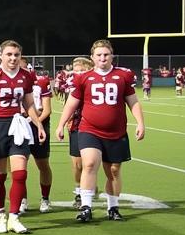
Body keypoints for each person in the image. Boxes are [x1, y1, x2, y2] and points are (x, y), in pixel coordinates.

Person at [57, 39, 144, 223]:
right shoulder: (83, 77)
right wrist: (60, 124)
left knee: (113, 170)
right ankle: (86, 207)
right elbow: (72, 102)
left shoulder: (124, 75)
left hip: (116, 131)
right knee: (89, 164)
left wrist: (140, 122)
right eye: (99, 55)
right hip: (89, 129)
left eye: (106, 54)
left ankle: (113, 207)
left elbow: (132, 101)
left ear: (112, 55)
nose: (103, 58)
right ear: (92, 57)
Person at [0, 39, 46, 235]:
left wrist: (38, 125)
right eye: (9, 54)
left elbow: (29, 103)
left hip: (18, 125)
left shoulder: (27, 75)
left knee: (20, 173)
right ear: (0, 56)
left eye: (16, 55)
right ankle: (0, 214)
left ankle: (14, 217)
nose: (13, 58)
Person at [19, 57, 53, 213]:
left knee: (43, 164)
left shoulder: (40, 82)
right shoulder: (11, 82)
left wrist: (36, 122)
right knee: (19, 166)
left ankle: (45, 198)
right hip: (19, 126)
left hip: (38, 124)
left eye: (23, 68)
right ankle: (22, 199)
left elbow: (46, 109)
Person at [65, 57, 91, 207]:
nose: (78, 73)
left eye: (82, 70)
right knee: (77, 164)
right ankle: (79, 189)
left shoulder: (94, 82)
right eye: (76, 70)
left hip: (92, 125)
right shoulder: (71, 84)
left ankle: (85, 188)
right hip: (75, 124)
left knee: (89, 163)